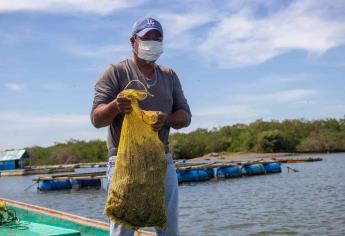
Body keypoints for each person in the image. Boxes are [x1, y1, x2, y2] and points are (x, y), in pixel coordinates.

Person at [91, 16, 191, 236]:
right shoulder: (116, 72)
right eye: (147, 37)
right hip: (124, 162)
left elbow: (185, 117)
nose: (152, 42)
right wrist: (116, 105)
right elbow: (97, 119)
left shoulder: (169, 76)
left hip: (161, 161)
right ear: (133, 41)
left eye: (158, 38)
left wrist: (167, 119)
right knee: (122, 225)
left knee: (168, 226)